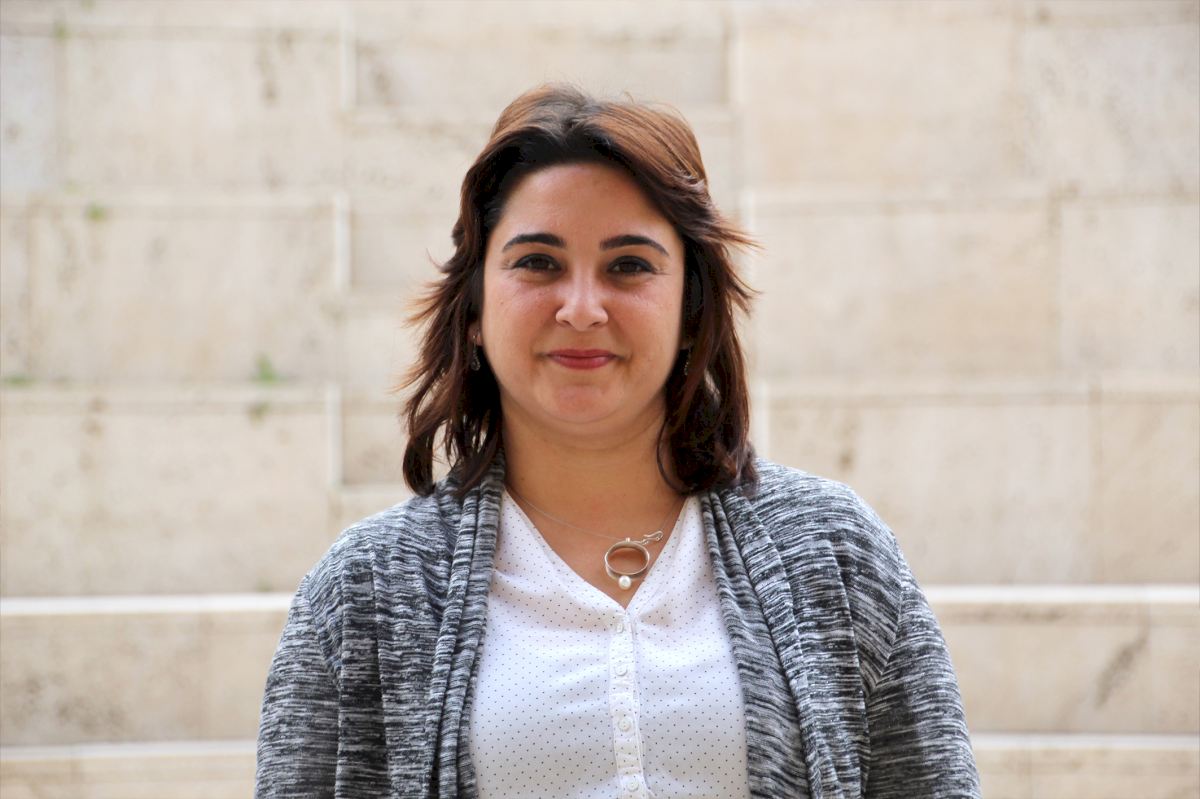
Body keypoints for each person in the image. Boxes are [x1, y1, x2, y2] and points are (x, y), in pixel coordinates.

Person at [255, 83, 981, 799]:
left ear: (691, 308)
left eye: (628, 265)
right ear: (474, 308)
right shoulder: (364, 589)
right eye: (538, 263)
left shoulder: (835, 552)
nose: (581, 308)